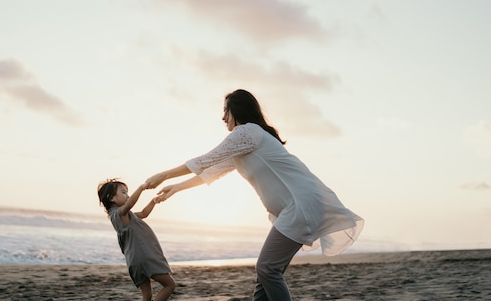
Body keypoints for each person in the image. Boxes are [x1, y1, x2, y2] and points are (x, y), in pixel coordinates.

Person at [146, 89, 364, 301]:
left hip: (300, 206)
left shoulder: (247, 132)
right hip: (295, 208)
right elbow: (212, 171)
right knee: (267, 275)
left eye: (226, 111)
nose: (223, 117)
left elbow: (205, 160)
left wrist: (164, 175)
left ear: (238, 110)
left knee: (267, 268)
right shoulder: (247, 141)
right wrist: (176, 187)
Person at [97, 179, 176, 301]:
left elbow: (144, 214)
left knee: (147, 295)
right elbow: (129, 205)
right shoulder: (119, 213)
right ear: (111, 198)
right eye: (124, 193)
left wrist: (153, 202)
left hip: (134, 260)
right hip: (144, 256)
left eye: (128, 193)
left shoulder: (123, 215)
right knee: (169, 285)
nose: (128, 196)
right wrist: (141, 188)